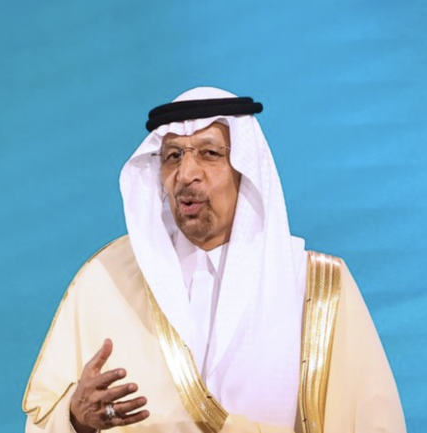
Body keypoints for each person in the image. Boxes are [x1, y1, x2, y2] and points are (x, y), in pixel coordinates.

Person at [22, 87, 406, 433]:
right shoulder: (107, 280)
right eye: (173, 156)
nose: (186, 174)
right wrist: (75, 421)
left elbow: (372, 422)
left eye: (209, 153)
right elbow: (42, 420)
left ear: (246, 170)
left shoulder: (315, 287)